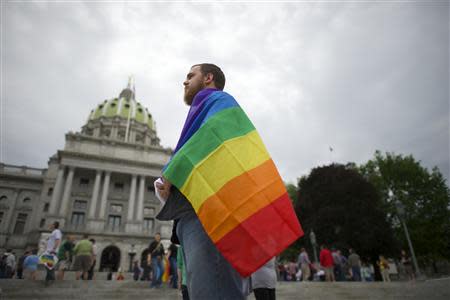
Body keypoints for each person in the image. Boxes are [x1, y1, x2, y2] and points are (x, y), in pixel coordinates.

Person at [154, 64, 247, 299]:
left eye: (190, 76)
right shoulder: (202, 107)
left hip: (210, 215)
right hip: (193, 215)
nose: (185, 82)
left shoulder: (219, 100)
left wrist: (172, 172)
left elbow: (214, 140)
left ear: (208, 78)